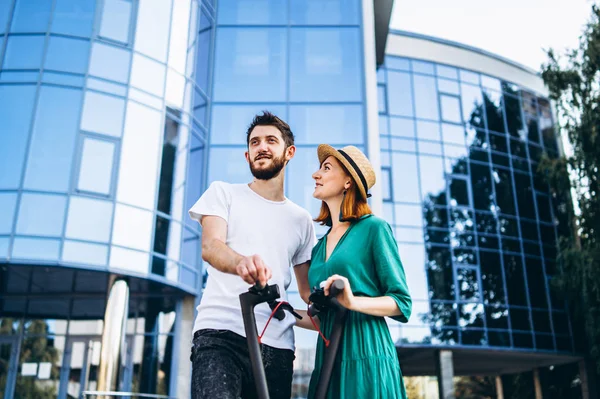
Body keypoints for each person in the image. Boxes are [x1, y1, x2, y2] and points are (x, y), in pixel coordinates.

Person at [188, 111, 316, 399]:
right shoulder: (223, 194)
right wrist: (241, 262)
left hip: (278, 347)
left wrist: (341, 309)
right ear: (247, 155)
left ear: (289, 152)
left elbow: (307, 292)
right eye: (254, 142)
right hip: (221, 335)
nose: (262, 147)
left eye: (271, 140)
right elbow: (211, 247)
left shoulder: (301, 219)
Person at [300, 144, 412, 398]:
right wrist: (279, 313)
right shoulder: (318, 248)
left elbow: (401, 302)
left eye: (326, 168)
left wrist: (352, 301)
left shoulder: (374, 229)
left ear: (348, 181)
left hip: (366, 350)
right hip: (328, 355)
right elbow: (320, 319)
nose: (315, 175)